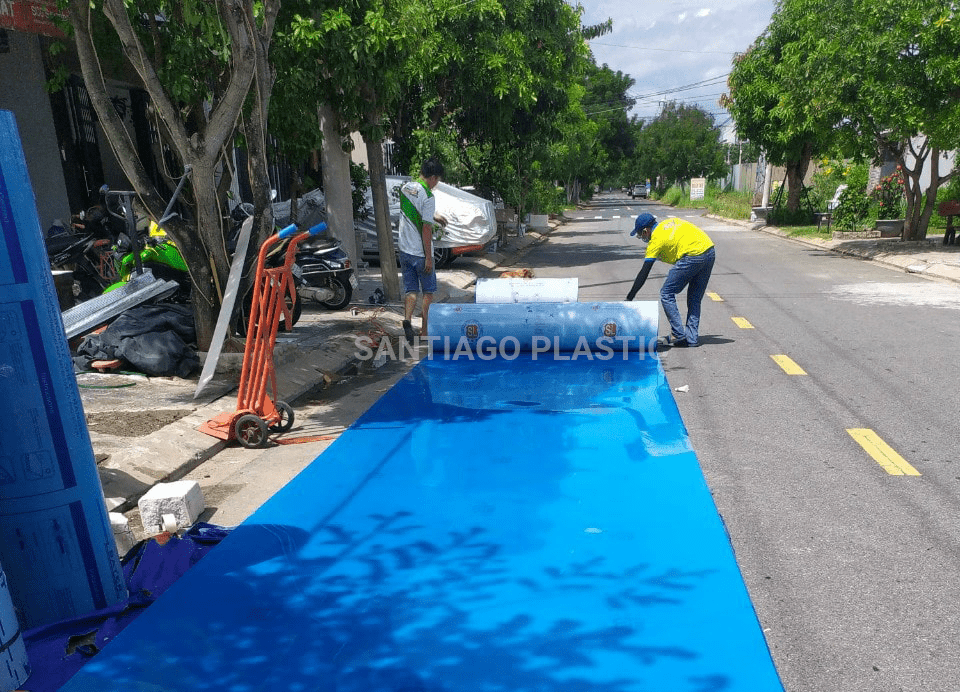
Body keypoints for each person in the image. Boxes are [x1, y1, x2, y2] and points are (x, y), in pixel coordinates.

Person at [625, 212, 715, 347]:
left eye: (640, 234)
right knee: (695, 298)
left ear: (646, 230)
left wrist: (630, 297)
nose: (642, 237)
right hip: (709, 250)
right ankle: (691, 338)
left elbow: (644, 272)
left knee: (666, 293)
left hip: (692, 255)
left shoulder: (655, 240)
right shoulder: (669, 223)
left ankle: (679, 334)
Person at [398, 159, 447, 343]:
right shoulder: (428, 196)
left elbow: (415, 210)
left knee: (411, 290)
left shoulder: (405, 188)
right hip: (419, 252)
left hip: (404, 250)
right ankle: (424, 331)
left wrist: (435, 216)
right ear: (432, 177)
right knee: (428, 292)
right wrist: (428, 257)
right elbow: (426, 229)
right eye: (437, 180)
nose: (436, 184)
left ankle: (407, 320)